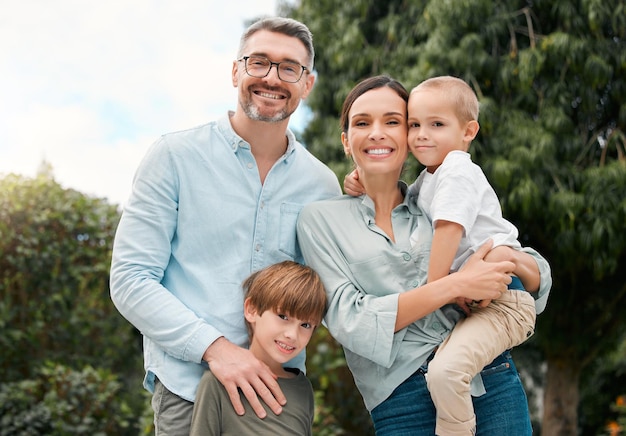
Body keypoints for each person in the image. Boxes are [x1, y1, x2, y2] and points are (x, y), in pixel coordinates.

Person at [109, 16, 341, 434]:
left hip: (277, 398)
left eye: (289, 67)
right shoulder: (173, 156)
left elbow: (331, 290)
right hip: (187, 390)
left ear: (307, 84)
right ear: (235, 70)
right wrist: (216, 349)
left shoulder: (323, 185)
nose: (272, 77)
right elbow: (130, 279)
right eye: (259, 62)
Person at [296, 75, 552, 435]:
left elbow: (532, 273)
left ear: (406, 137)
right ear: (345, 140)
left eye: (393, 122)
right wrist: (454, 285)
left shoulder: (434, 198)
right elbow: (351, 322)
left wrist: (509, 260)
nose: (377, 132)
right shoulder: (320, 220)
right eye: (362, 123)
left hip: (488, 378)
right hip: (400, 398)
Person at [190, 261, 326, 435]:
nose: (292, 334)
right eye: (283, 316)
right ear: (252, 310)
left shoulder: (302, 387)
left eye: (305, 325)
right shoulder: (217, 382)